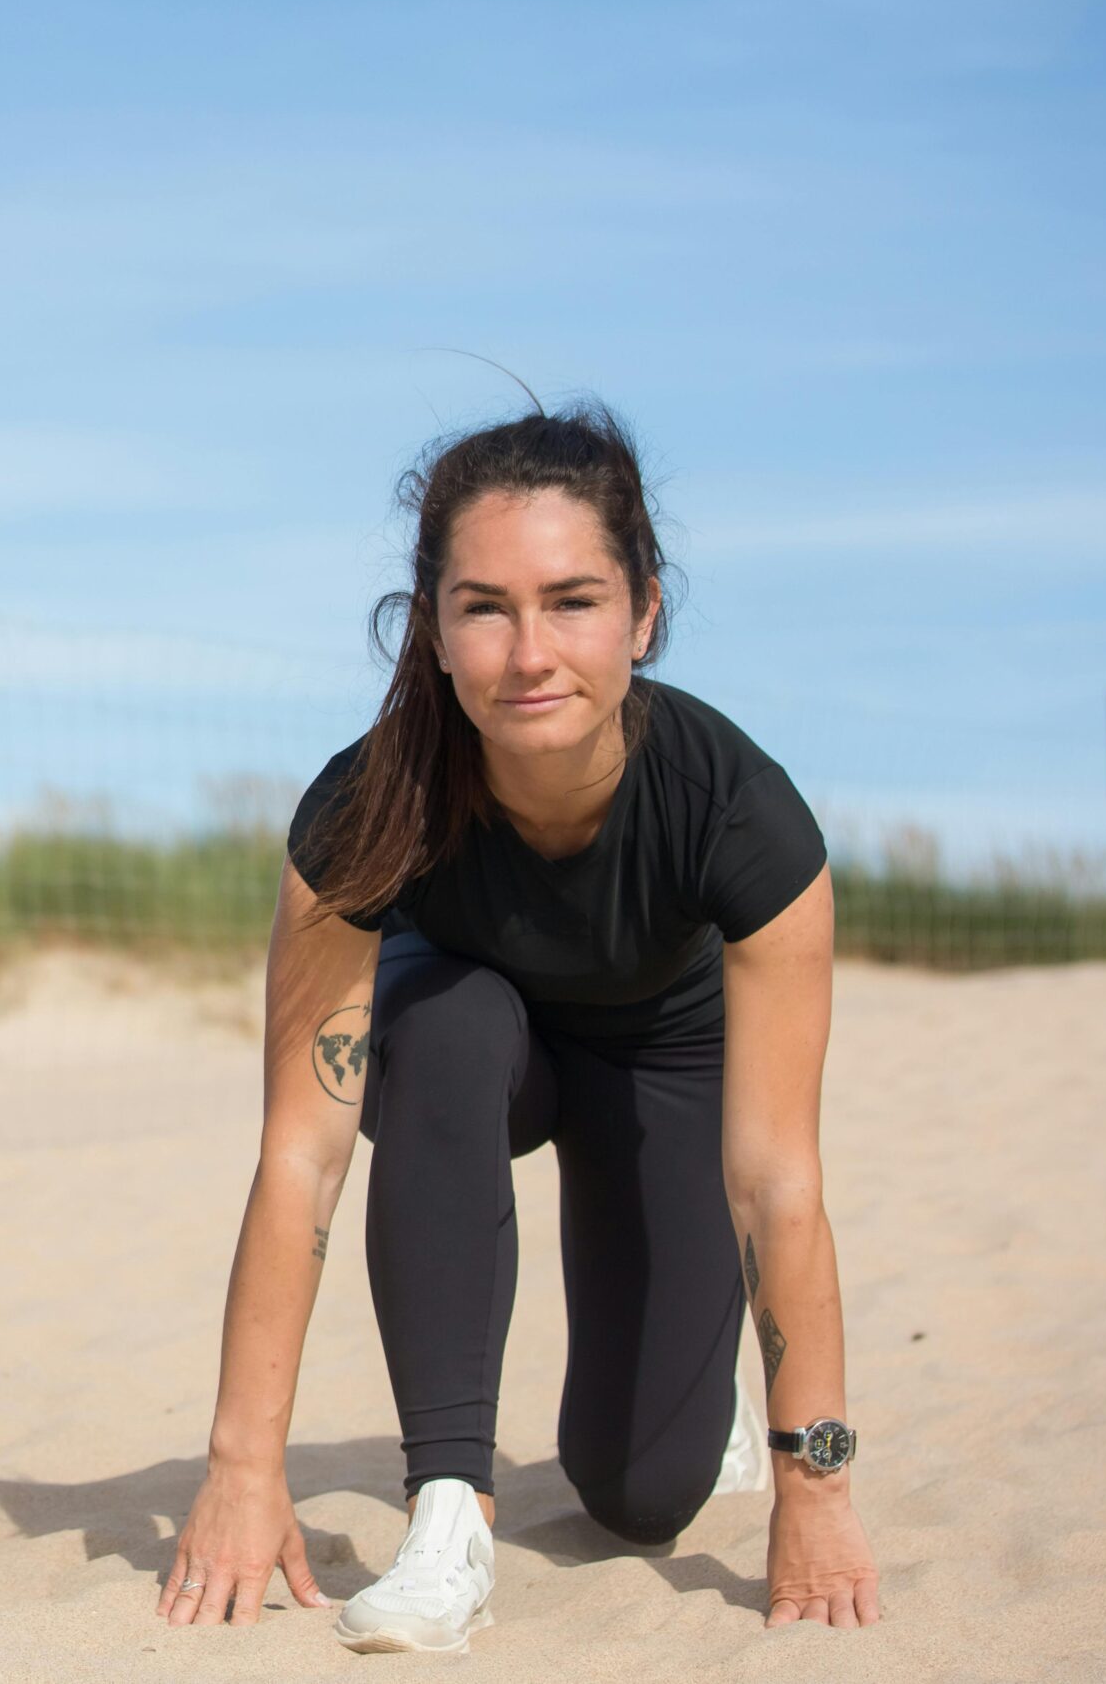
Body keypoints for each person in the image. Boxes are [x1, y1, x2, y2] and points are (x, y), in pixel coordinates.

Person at [159, 405, 882, 1652]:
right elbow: (301, 1156)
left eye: (573, 600)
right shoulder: (366, 810)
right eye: (484, 606)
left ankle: (687, 1393)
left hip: (660, 1054)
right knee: (447, 1019)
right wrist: (240, 1463)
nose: (529, 650)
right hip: (476, 1044)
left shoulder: (739, 815)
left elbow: (774, 1180)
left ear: (644, 612)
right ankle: (450, 1511)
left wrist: (814, 1480)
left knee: (641, 1494)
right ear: (432, 629)